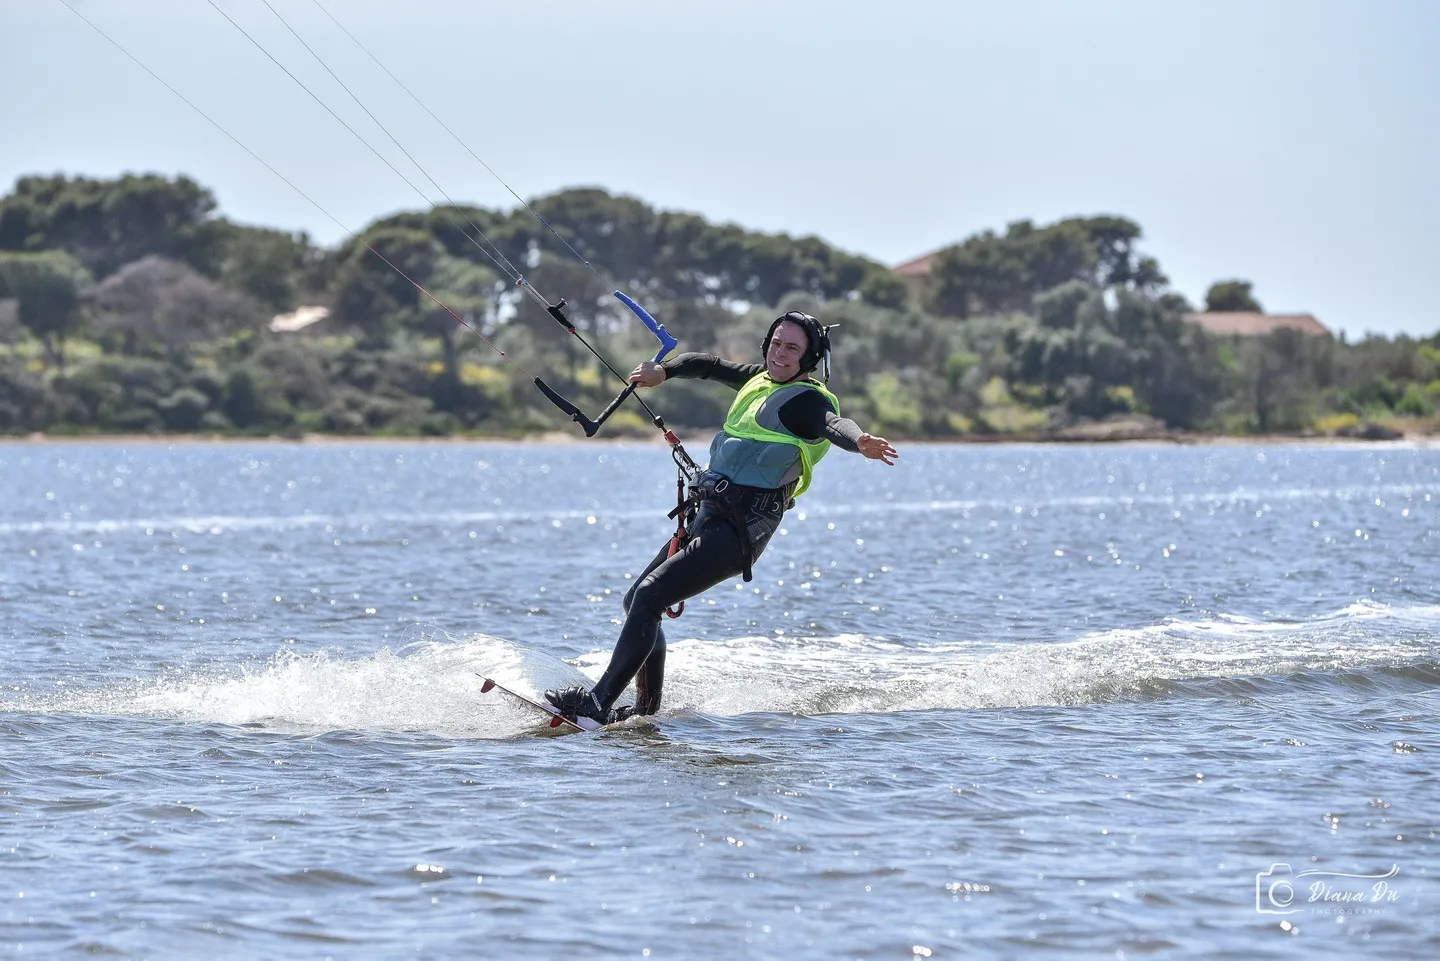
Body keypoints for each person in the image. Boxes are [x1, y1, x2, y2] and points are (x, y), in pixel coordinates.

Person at [545, 311, 899, 724]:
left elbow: (833, 424)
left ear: (810, 357)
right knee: (637, 600)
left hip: (740, 530)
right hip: (708, 514)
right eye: (776, 343)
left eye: (792, 348)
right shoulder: (759, 379)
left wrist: (861, 442)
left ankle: (596, 704)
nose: (780, 354)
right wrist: (664, 371)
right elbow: (709, 365)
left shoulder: (807, 400)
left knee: (648, 597)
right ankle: (644, 712)